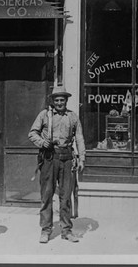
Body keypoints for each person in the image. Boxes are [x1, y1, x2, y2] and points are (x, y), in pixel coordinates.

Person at [28, 84, 85, 244]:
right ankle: (46, 230)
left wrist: (82, 157)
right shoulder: (45, 115)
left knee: (66, 196)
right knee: (46, 195)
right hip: (49, 157)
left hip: (66, 157)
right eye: (57, 100)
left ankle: (66, 230)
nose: (60, 102)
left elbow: (79, 137)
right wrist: (42, 142)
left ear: (66, 100)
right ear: (52, 100)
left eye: (62, 100)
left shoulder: (72, 116)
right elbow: (32, 133)